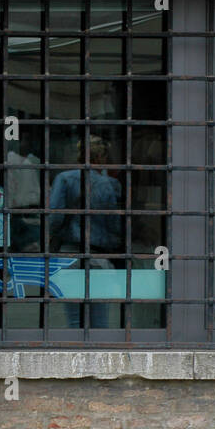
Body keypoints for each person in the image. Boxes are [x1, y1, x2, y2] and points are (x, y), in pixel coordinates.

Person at [47, 136, 123, 328]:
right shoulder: (110, 185)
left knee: (75, 320)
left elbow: (54, 219)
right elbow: (115, 225)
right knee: (100, 321)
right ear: (101, 158)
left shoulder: (64, 179)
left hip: (69, 255)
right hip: (99, 255)